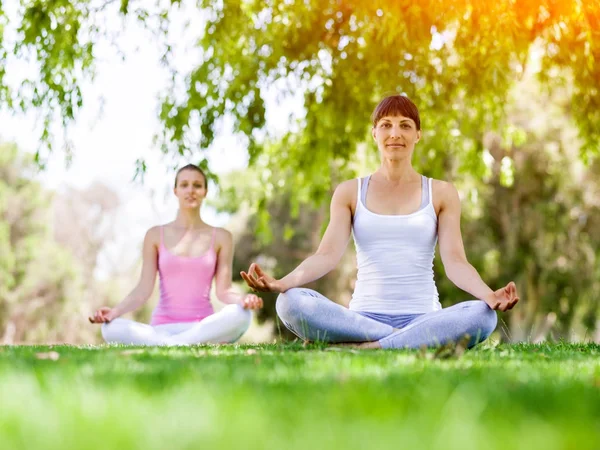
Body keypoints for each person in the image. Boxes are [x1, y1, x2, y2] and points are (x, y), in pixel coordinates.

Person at [241, 95, 519, 349]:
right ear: (374, 133)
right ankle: (403, 341)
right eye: (386, 125)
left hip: (424, 316)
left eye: (405, 125)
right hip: (363, 318)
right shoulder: (350, 192)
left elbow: (456, 262)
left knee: (483, 317)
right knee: (290, 303)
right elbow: (325, 256)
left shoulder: (442, 193)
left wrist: (489, 295)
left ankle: (368, 346)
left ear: (418, 134)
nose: (395, 133)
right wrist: (282, 283)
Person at [90, 164, 262, 345]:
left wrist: (243, 300)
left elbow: (224, 291)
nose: (191, 190)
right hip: (161, 329)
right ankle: (180, 342)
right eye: (184, 185)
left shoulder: (222, 237)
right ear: (175, 190)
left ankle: (173, 343)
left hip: (202, 327)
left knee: (242, 315)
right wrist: (114, 312)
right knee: (109, 328)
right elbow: (143, 289)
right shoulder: (155, 235)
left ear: (205, 191)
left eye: (197, 185)